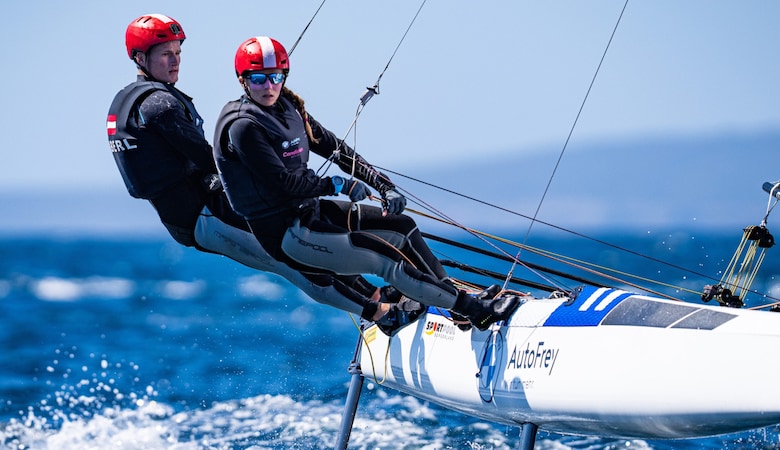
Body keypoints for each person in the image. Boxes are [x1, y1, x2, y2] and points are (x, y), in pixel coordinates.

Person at [106, 14, 412, 331]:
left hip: (208, 205)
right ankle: (383, 316)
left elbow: (325, 143)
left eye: (178, 52)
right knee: (292, 259)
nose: (175, 61)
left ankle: (382, 296)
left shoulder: (136, 100)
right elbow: (214, 162)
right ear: (141, 58)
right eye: (166, 54)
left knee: (316, 238)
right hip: (201, 215)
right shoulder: (160, 104)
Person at [212, 36, 521, 331]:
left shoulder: (288, 109)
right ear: (243, 80)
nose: (268, 87)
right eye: (258, 79)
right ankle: (477, 312)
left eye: (276, 77)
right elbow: (282, 182)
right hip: (288, 234)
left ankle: (457, 307)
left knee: (401, 227)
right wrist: (337, 185)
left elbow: (336, 148)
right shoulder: (243, 126)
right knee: (385, 259)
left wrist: (383, 186)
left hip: (311, 213)